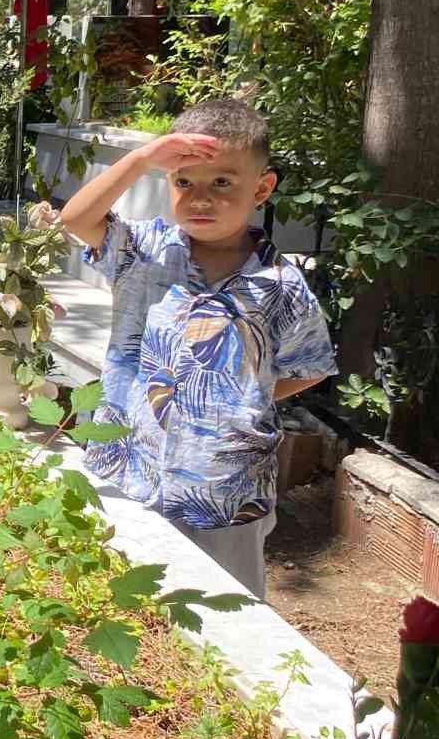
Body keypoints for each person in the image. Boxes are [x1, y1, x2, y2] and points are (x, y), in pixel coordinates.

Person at [58, 97, 336, 599]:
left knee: (226, 614)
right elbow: (77, 219)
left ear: (262, 188)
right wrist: (142, 159)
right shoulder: (142, 251)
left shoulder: (282, 284)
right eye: (184, 182)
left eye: (222, 183)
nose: (200, 199)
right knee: (125, 606)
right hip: (129, 470)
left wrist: (244, 397)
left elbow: (309, 366)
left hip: (226, 492)